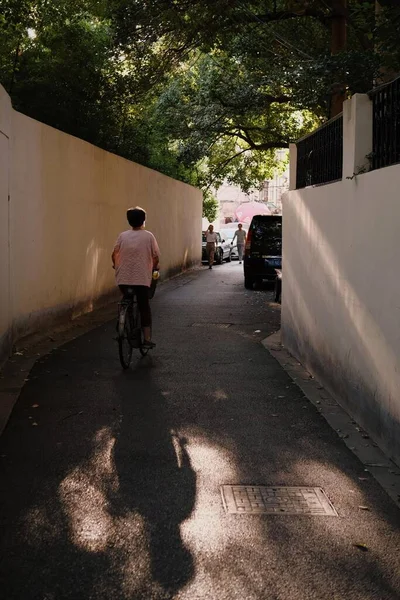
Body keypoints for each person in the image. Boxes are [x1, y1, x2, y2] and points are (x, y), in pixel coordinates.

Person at [112, 206, 160, 349]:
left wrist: (116, 266)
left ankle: (122, 321)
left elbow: (114, 254)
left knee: (126, 297)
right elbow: (156, 257)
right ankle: (146, 339)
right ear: (143, 220)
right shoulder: (148, 236)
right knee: (144, 306)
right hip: (141, 279)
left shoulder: (122, 236)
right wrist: (154, 267)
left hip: (123, 279)